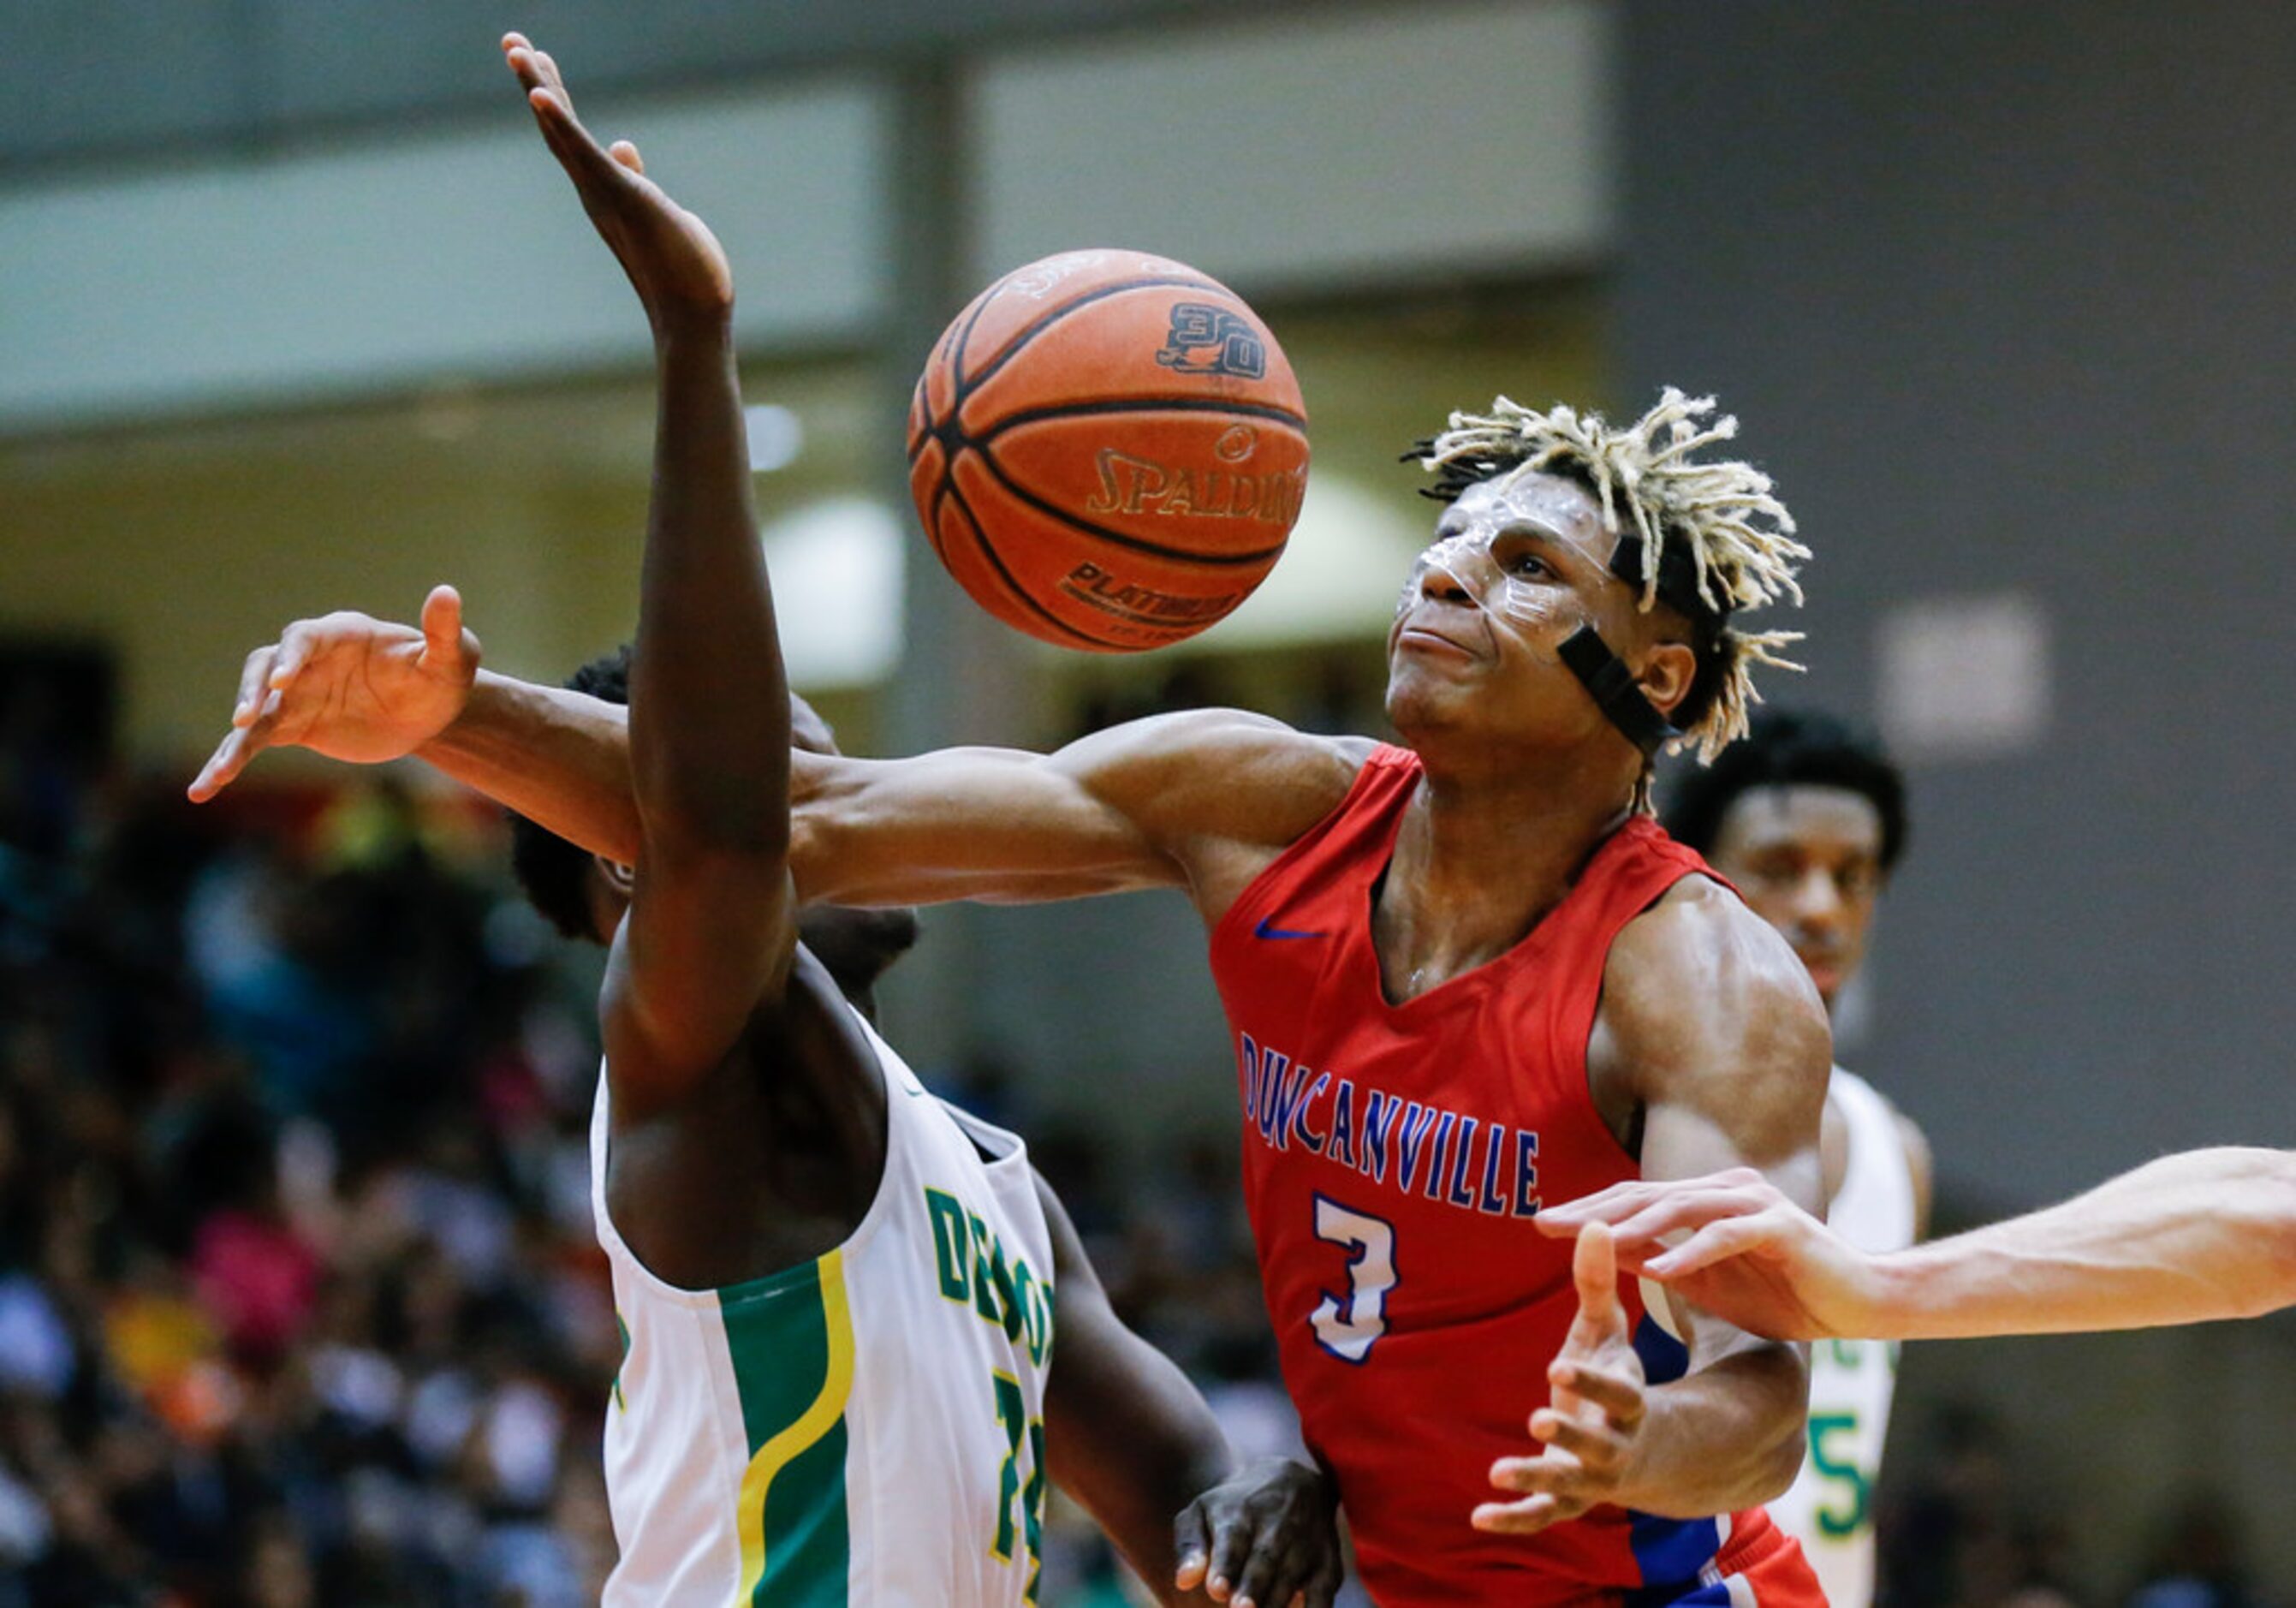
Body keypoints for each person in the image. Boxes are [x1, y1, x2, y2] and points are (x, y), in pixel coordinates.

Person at [195, 343, 1836, 1597]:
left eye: (1529, 569)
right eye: (1451, 543)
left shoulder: (1699, 981)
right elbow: (808, 817)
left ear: (1657, 673)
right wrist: (450, 719)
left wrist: (1643, 1439)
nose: (1452, 572)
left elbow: (1762, 1391)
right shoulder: (1262, 803)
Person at [192, 37, 1344, 1608]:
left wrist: (1282, 1492)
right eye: (795, 774)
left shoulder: (993, 1177)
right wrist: (693, 335)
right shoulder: (692, 1073)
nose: (837, 800)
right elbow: (725, 827)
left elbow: (1176, 1495)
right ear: (631, 862)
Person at [1663, 707, 1933, 1608]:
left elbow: (1838, 1483)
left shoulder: (1900, 1155)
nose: (1822, 908)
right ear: (1698, 881)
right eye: (1781, 868)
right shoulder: (1622, 1113)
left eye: (1853, 877)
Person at [1533, 1148, 2296, 1340]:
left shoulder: (1889, 1145)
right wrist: (1880, 1289)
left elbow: (2274, 1227)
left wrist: (1880, 1291)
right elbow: (2267, 1188)